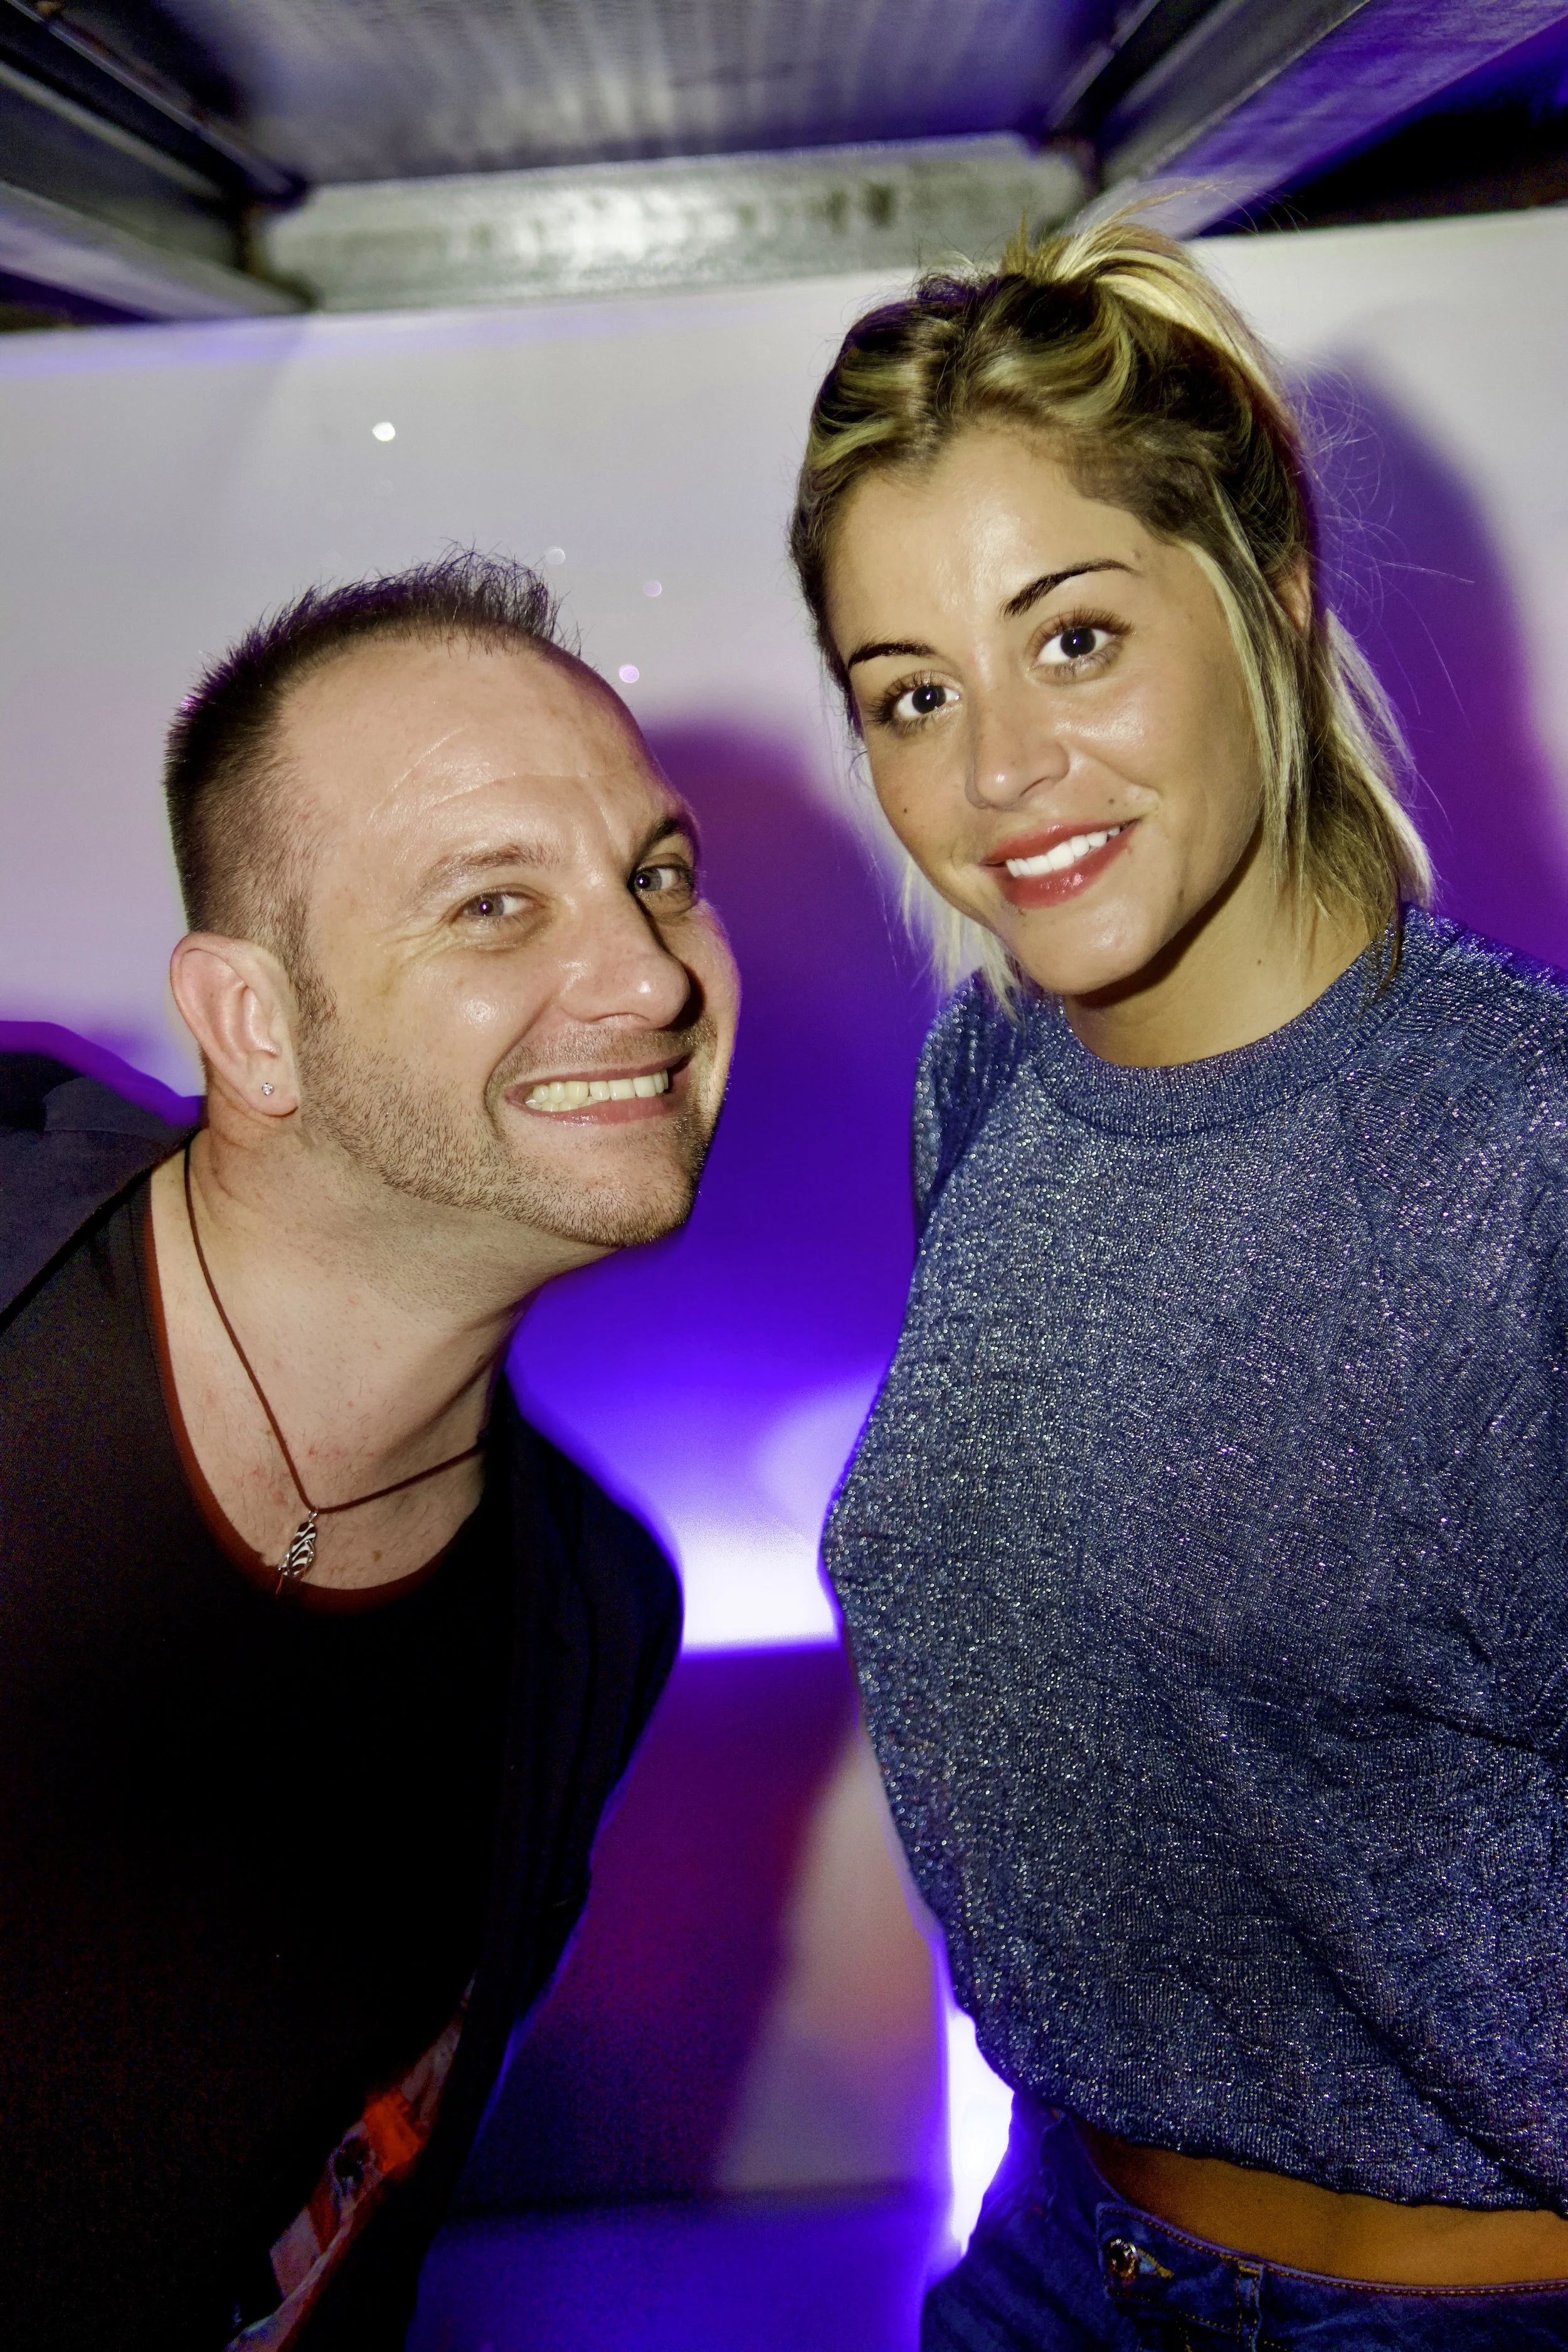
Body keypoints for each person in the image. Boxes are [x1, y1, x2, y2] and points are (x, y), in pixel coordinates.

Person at [789, 219, 1568, 2346]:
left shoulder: (1521, 1164)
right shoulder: (982, 1082)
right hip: (1063, 2253)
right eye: (912, 695)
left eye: (1072, 641)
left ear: (1267, 594)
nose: (996, 777)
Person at [0, 552, 738, 2350]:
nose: (648, 974)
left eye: (655, 875)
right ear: (252, 1024)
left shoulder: (590, 1621)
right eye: (495, 904)